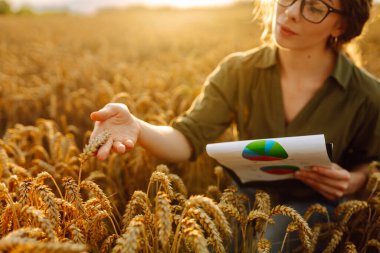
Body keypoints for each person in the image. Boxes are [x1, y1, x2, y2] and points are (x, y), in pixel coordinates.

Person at [90, 0, 380, 251]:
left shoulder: (367, 95)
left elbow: (365, 165)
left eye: (314, 7)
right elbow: (186, 137)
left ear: (341, 26)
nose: (290, 12)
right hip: (243, 199)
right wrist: (138, 127)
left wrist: (349, 181)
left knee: (275, 239)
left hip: (314, 207)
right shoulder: (237, 72)